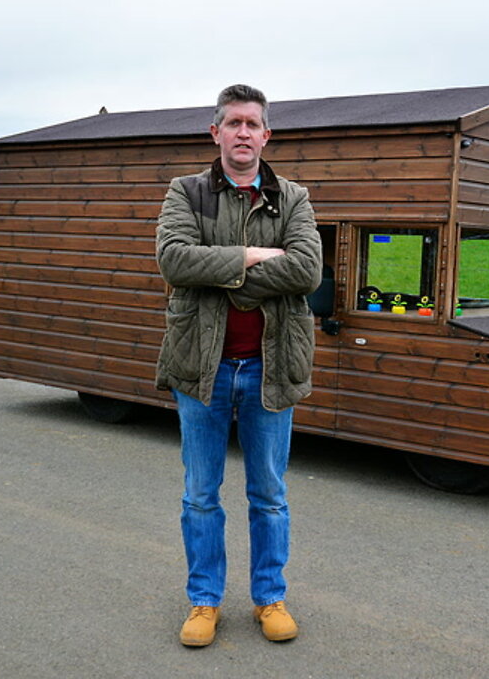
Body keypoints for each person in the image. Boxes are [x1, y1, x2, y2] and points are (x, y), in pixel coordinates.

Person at [154, 84, 322, 647]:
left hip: (269, 368)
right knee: (201, 492)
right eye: (233, 123)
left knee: (269, 494)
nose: (243, 132)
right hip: (202, 367)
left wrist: (219, 272)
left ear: (266, 134)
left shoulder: (293, 197)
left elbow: (306, 272)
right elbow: (173, 260)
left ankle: (269, 598)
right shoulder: (188, 191)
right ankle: (204, 602)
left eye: (253, 123)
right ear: (216, 132)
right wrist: (251, 256)